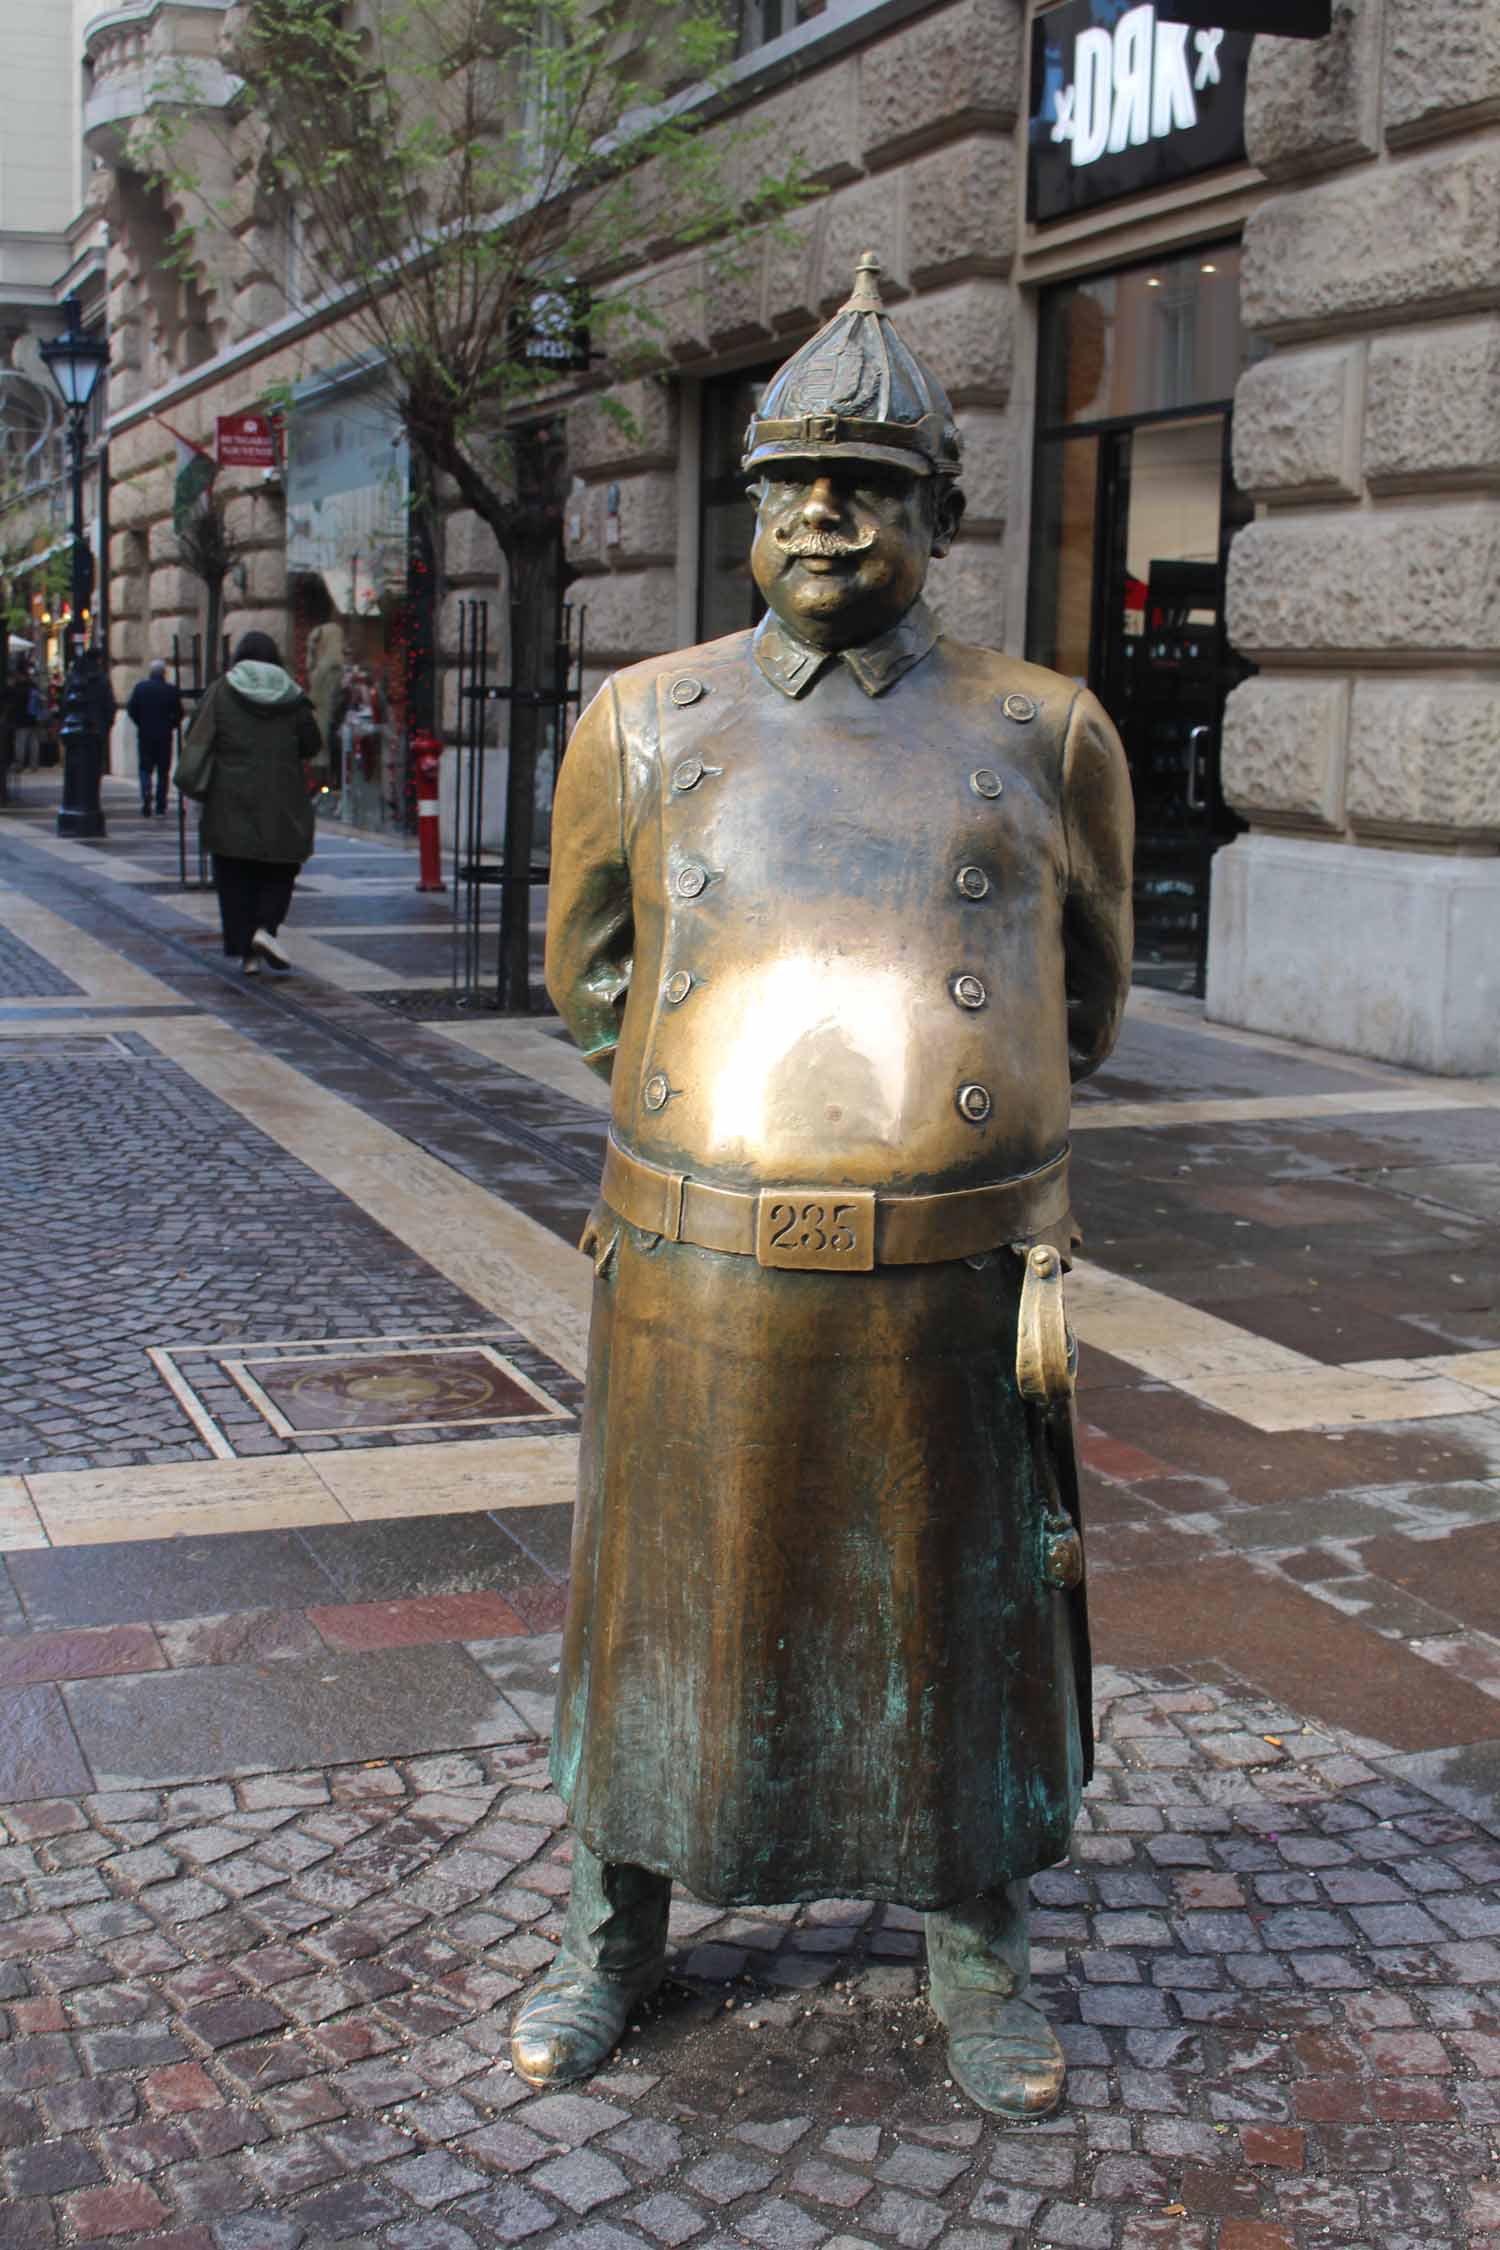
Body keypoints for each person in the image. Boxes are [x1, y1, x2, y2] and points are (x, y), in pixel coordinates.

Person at [519, 256, 1134, 2120]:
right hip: (698, 1267)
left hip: (953, 1278)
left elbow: (1082, 998)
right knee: (661, 1607)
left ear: (938, 515)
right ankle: (613, 1919)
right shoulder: (647, 722)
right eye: (788, 479)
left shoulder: (1045, 733)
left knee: (958, 1613)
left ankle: (979, 1941)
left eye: (864, 485)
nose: (817, 513)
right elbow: (590, 976)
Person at [175, 629, 325, 975]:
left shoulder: (221, 690)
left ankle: (246, 950)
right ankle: (265, 928)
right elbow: (311, 742)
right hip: (283, 798)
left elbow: (197, 733)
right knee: (281, 864)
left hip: (230, 797)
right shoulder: (292, 694)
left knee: (233, 871)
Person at [125, 658, 183, 815]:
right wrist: (171, 725)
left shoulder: (140, 688)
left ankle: (145, 793)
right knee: (163, 771)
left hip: (145, 735)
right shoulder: (171, 690)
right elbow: (179, 713)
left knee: (145, 768)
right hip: (164, 736)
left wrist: (141, 723)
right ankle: (160, 805)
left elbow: (131, 710)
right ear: (164, 673)